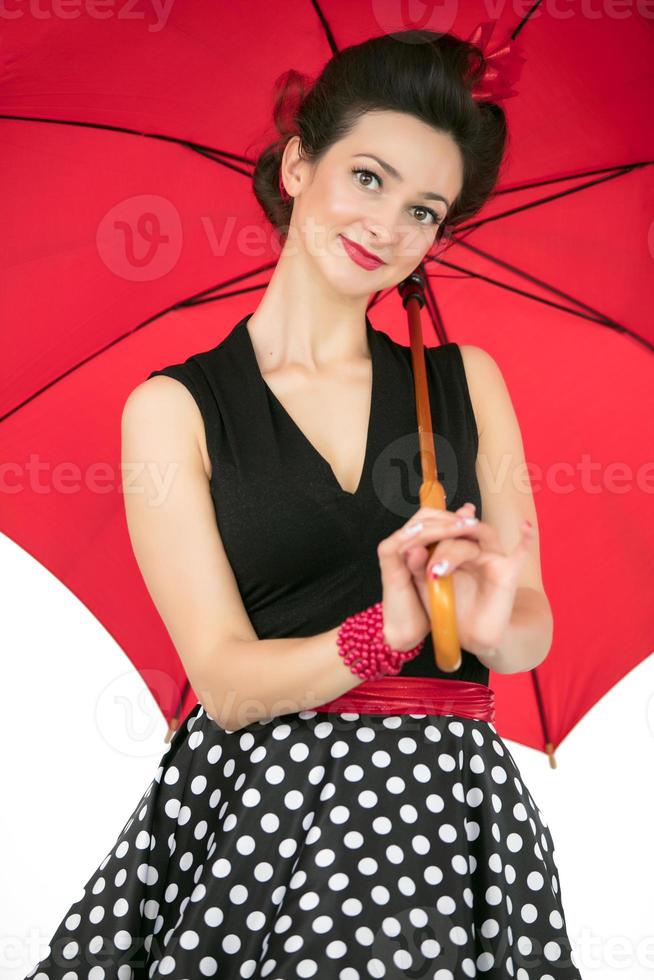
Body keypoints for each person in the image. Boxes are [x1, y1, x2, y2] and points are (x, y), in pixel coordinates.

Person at [24, 29, 582, 980]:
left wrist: (492, 618)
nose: (387, 229)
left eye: (423, 211)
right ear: (297, 165)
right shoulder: (176, 411)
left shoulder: (465, 382)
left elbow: (525, 631)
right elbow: (230, 685)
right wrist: (385, 628)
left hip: (448, 815)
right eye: (368, 178)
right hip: (264, 813)